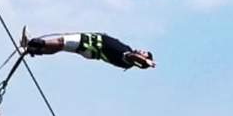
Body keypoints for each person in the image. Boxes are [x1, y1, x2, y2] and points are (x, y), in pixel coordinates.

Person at [21, 29, 155, 70]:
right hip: (91, 49)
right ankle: (33, 50)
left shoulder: (128, 58)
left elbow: (135, 59)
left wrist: (145, 62)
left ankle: (32, 43)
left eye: (144, 53)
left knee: (61, 42)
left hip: (90, 44)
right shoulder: (128, 54)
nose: (142, 51)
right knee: (61, 46)